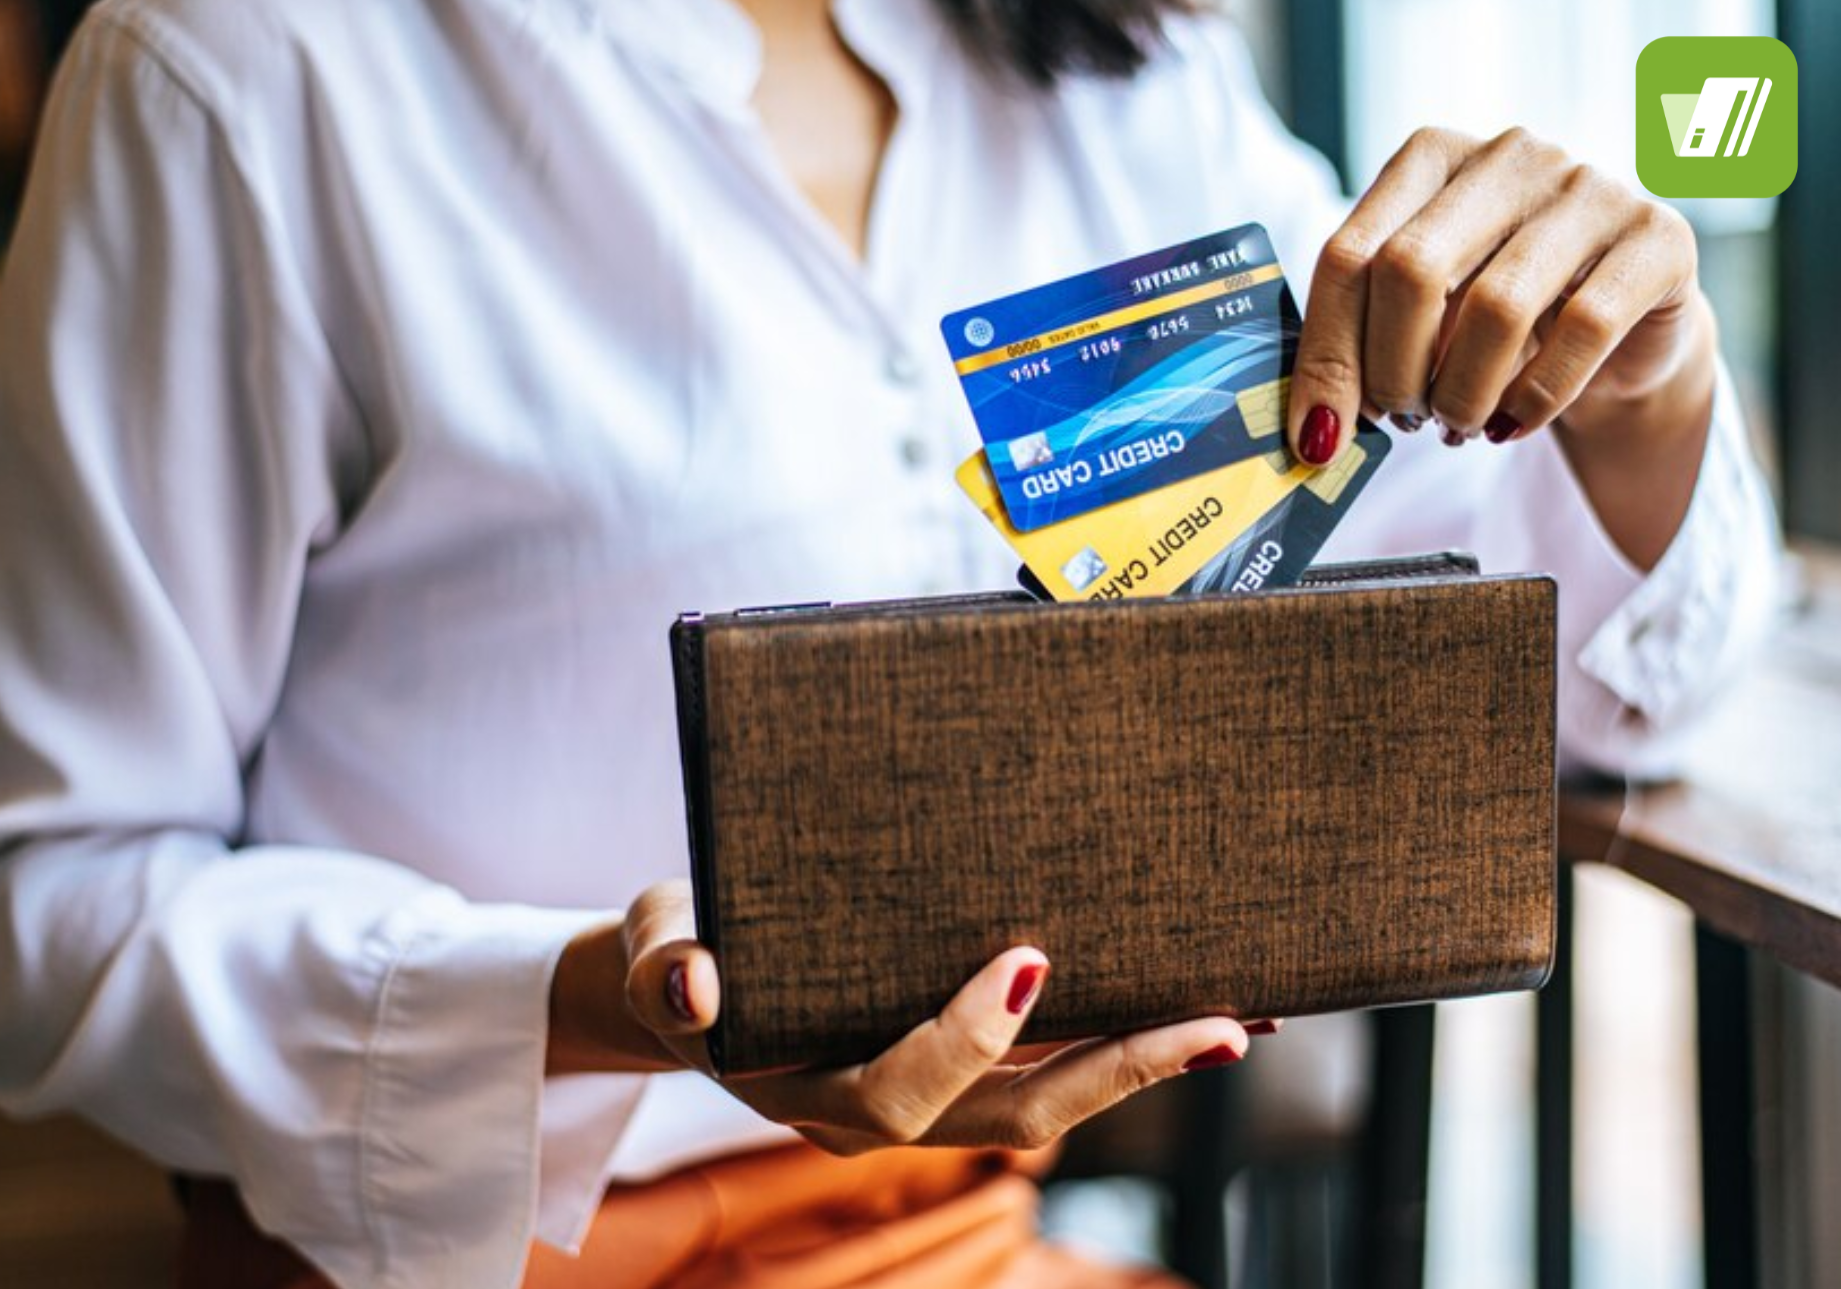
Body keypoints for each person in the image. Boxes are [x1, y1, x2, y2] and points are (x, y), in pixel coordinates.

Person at [0, 0, 1781, 1286]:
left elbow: (1607, 695)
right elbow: (49, 901)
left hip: (960, 1251)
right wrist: (596, 1009)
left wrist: (1645, 395)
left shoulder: (1128, 83)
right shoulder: (244, 72)